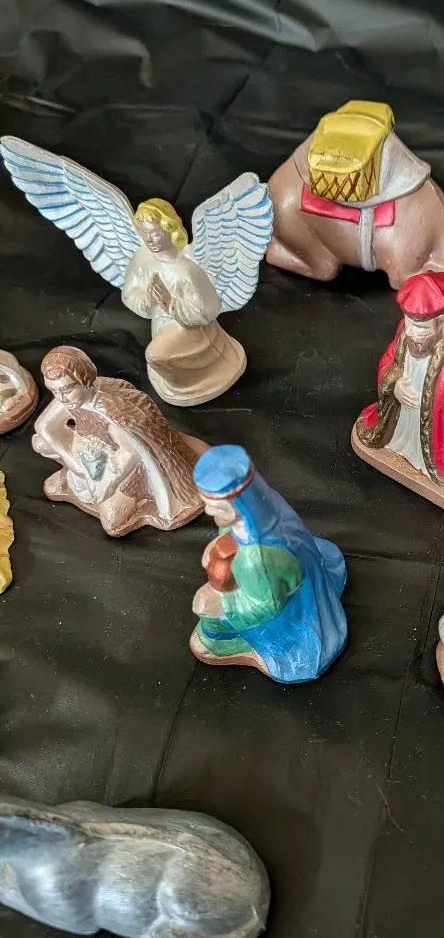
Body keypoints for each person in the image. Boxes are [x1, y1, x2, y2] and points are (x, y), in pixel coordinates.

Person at [190, 445, 348, 683]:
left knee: (208, 620)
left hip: (281, 604)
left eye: (215, 505)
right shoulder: (263, 506)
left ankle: (225, 642)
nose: (208, 510)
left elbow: (268, 605)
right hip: (287, 576)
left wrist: (223, 606)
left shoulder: (259, 560)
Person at [355, 270, 444, 499]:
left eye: (422, 328)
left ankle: (425, 462)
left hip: (436, 435)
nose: (413, 333)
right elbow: (388, 361)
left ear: (440, 323)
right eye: (409, 323)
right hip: (402, 419)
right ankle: (399, 446)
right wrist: (395, 386)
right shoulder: (404, 334)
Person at [31, 346, 204, 535]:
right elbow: (44, 426)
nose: (61, 397)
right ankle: (72, 477)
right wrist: (74, 464)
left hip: (126, 468)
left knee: (112, 521)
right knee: (40, 442)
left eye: (67, 389)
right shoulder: (70, 400)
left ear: (86, 381)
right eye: (54, 390)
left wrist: (105, 486)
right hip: (88, 452)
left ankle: (131, 497)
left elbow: (130, 455)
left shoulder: (111, 408)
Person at [121, 200, 245, 406]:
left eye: (155, 233)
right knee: (159, 356)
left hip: (190, 328)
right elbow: (129, 293)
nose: (148, 239)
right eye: (144, 233)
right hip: (161, 324)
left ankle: (191, 385)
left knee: (155, 356)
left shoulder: (187, 269)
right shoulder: (142, 257)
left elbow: (207, 311)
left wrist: (170, 304)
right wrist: (147, 299)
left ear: (169, 229)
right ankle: (181, 385)